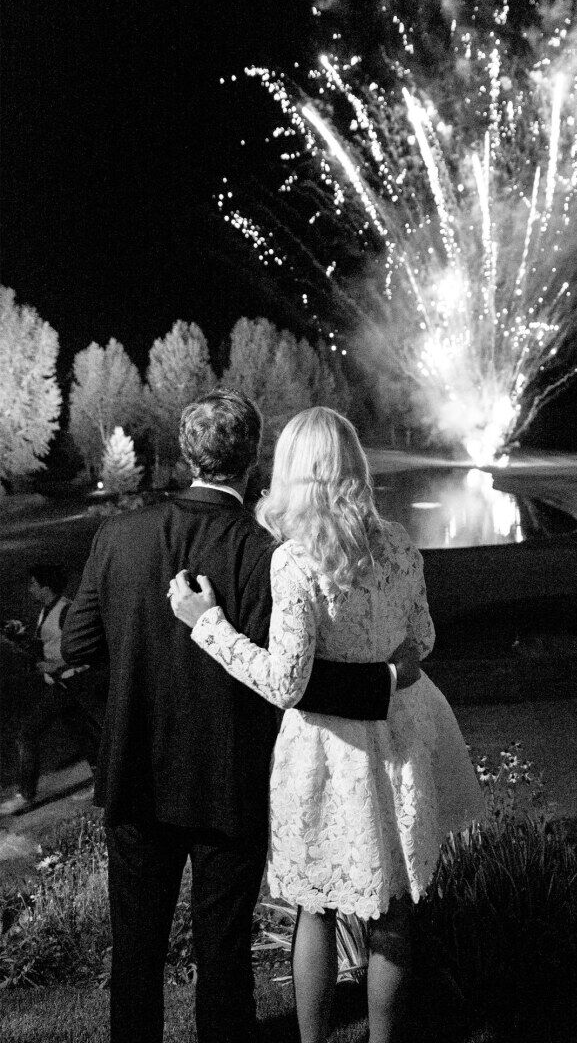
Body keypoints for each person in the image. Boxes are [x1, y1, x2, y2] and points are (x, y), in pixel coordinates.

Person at [59, 389, 419, 1043]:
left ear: (185, 450)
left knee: (135, 953)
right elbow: (297, 679)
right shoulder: (266, 551)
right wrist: (389, 680)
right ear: (251, 459)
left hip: (138, 770)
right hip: (229, 776)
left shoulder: (120, 537)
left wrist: (138, 680)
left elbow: (79, 645)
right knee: (221, 955)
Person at [170, 407, 485, 1043]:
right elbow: (422, 636)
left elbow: (287, 683)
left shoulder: (295, 561)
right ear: (354, 467)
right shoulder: (399, 544)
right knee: (392, 907)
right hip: (400, 735)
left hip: (326, 747)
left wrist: (207, 624)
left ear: (292, 472)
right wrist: (390, 663)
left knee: (317, 904)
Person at [0, 565, 104, 816]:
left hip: (70, 683)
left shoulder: (66, 611)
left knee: (28, 732)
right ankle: (105, 787)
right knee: (85, 735)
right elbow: (48, 645)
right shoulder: (49, 610)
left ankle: (26, 795)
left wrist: (56, 665)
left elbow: (89, 649)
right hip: (63, 683)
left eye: (33, 584)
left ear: (46, 587)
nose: (30, 589)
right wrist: (22, 636)